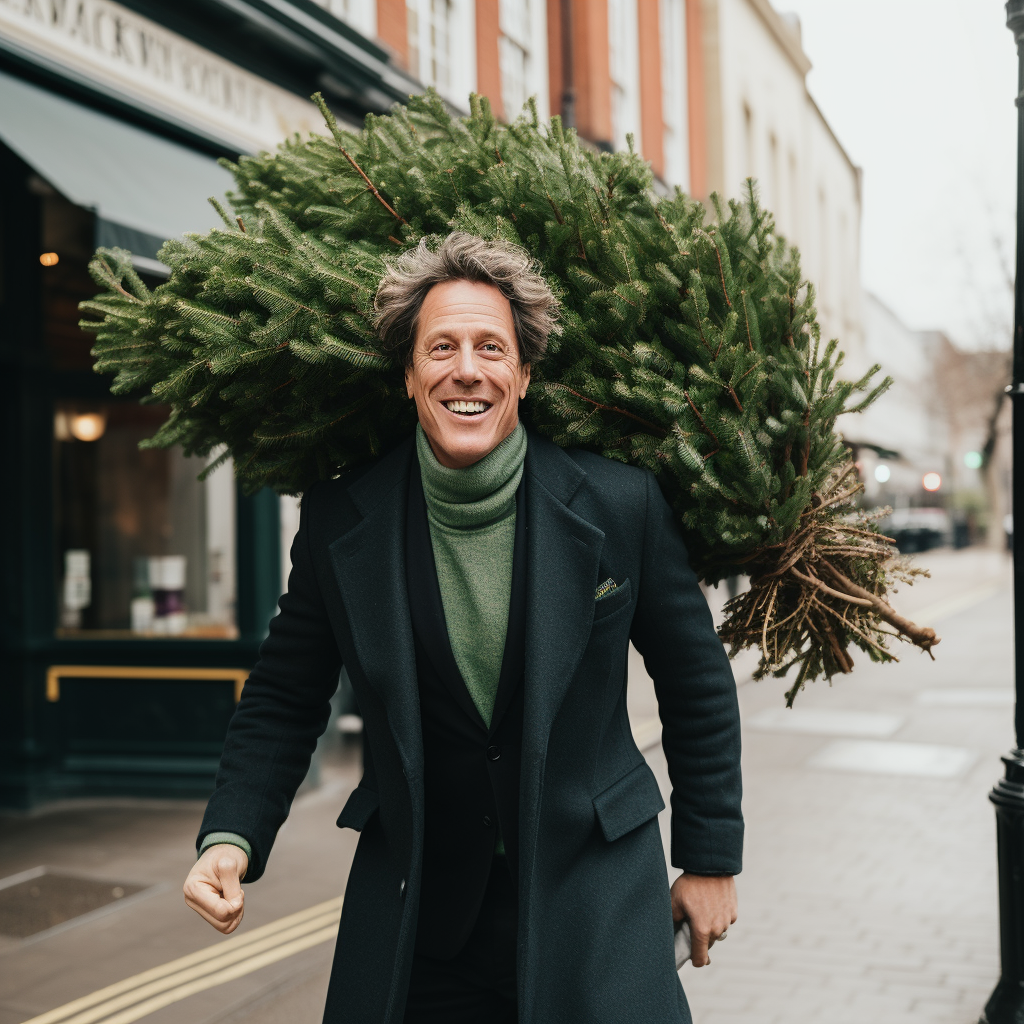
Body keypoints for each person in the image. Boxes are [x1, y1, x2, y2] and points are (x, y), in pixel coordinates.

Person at [183, 232, 742, 1024]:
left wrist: (711, 858)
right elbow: (284, 694)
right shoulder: (345, 518)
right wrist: (230, 837)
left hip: (595, 893)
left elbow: (697, 685)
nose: (467, 369)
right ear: (409, 377)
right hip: (422, 908)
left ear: (524, 372)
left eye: (491, 347)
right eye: (440, 347)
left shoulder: (621, 507)